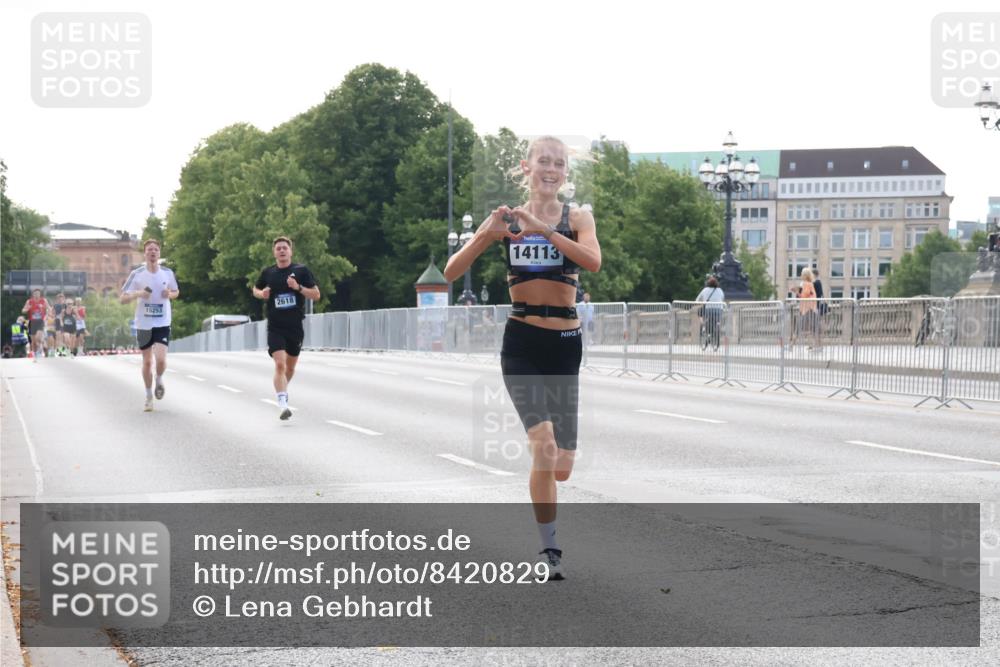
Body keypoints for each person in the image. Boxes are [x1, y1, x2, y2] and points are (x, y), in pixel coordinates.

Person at [445, 136, 602, 581]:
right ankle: (549, 547)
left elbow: (593, 262)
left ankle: (550, 519)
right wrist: (484, 235)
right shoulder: (509, 220)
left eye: (559, 163)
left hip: (565, 343)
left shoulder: (578, 217)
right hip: (522, 342)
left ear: (565, 172)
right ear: (526, 166)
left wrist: (545, 229)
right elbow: (452, 273)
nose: (551, 169)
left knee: (564, 468)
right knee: (544, 445)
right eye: (543, 162)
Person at [252, 236, 320, 420]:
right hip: (275, 326)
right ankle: (282, 403)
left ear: (290, 251)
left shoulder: (301, 270)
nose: (282, 251)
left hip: (295, 327)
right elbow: (255, 289)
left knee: (289, 369)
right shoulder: (268, 273)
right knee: (280, 364)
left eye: (285, 248)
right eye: (278, 248)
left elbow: (316, 295)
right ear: (274, 252)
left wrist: (298, 288)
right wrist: (261, 293)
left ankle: (282, 389)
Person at [121, 239, 180, 411]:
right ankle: (148, 396)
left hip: (162, 321)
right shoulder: (137, 274)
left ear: (159, 253)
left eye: (155, 249)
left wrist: (169, 294)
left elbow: (176, 292)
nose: (153, 252)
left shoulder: (168, 273)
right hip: (143, 323)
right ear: (145, 254)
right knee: (147, 362)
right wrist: (139, 293)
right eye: (149, 250)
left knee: (160, 359)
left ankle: (159, 379)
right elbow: (123, 298)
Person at [792, 267, 820, 350]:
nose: (801, 275)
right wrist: (797, 292)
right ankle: (815, 346)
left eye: (802, 274)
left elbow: (804, 295)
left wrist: (797, 291)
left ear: (805, 275)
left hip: (807, 309)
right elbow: (804, 296)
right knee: (812, 328)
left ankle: (791, 345)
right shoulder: (809, 284)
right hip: (810, 308)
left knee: (799, 327)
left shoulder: (806, 284)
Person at [695, 276, 725, 349]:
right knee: (717, 321)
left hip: (709, 309)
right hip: (719, 309)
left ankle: (704, 326)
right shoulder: (720, 290)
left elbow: (697, 300)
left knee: (700, 312)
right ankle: (717, 326)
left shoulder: (705, 290)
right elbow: (722, 298)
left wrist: (701, 302)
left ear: (708, 283)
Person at [21, 289, 49, 362]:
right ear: (33, 295)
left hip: (40, 322)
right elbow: (23, 310)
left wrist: (46, 310)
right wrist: (27, 308)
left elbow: (49, 308)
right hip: (32, 322)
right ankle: (35, 355)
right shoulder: (29, 301)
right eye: (35, 294)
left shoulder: (44, 301)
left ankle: (42, 347)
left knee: (38, 338)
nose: (36, 295)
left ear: (40, 295)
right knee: (33, 342)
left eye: (38, 294)